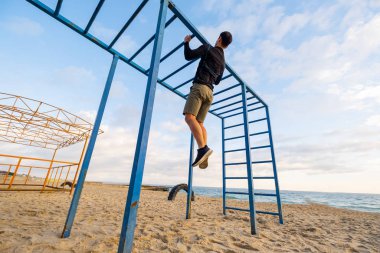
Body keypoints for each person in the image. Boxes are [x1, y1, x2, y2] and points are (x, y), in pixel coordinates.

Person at [183, 31, 233, 169]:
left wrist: (186, 42)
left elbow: (188, 56)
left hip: (200, 87)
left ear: (219, 39)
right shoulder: (223, 62)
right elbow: (217, 81)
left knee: (189, 118)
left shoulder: (208, 48)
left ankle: (203, 149)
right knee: (199, 123)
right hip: (210, 94)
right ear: (227, 45)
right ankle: (204, 151)